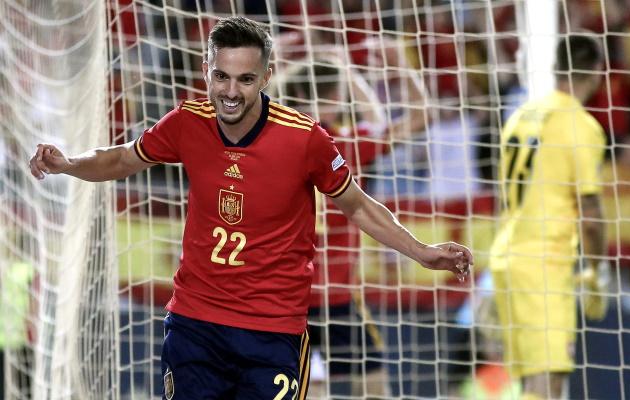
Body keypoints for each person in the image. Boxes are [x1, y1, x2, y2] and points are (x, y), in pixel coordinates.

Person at [28, 16, 472, 400]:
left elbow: (357, 206)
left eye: (245, 79)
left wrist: (422, 251)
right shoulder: (187, 122)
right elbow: (123, 158)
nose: (230, 91)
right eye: (221, 77)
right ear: (206, 71)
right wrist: (70, 164)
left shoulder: (306, 138)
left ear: (266, 77)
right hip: (195, 322)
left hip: (272, 329)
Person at [274, 40, 427, 398]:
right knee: (373, 386)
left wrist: (276, 67)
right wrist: (392, 63)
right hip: (335, 294)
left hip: (285, 293)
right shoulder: (345, 144)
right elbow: (417, 115)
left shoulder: (274, 142)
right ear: (336, 97)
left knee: (302, 388)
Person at [488, 34, 608, 400]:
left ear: (557, 67)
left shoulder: (519, 116)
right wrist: (597, 269)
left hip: (507, 259)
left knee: (532, 383)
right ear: (597, 72)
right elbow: (590, 216)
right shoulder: (580, 126)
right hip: (543, 264)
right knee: (548, 383)